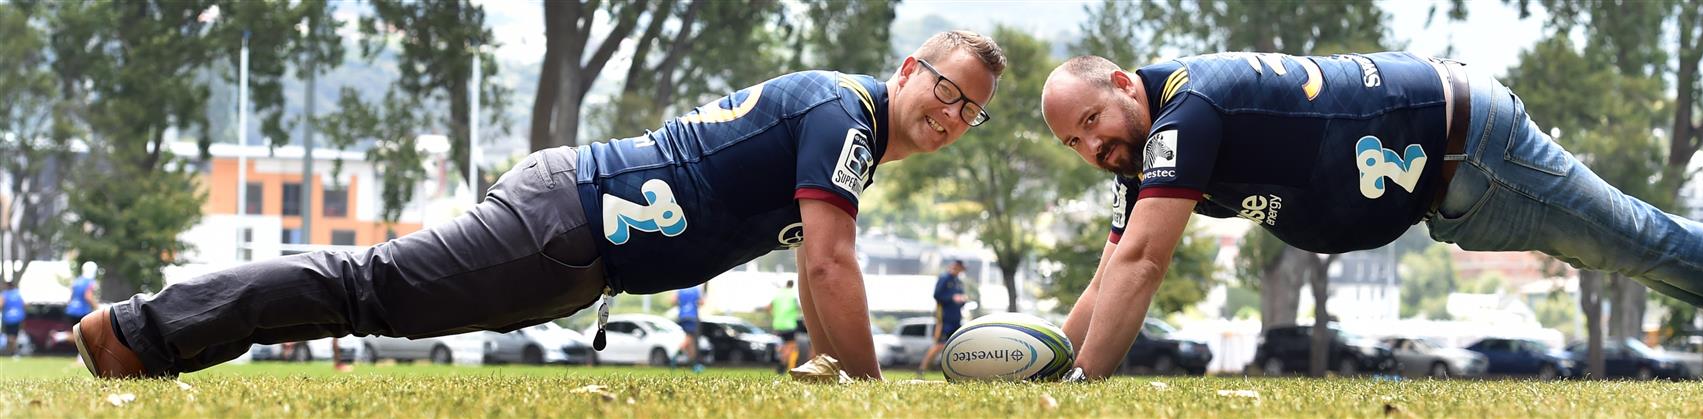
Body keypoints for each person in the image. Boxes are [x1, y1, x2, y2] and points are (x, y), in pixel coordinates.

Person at [72, 30, 1007, 380]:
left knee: (373, 296)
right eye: (946, 87)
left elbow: (816, 258)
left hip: (575, 240)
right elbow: (830, 262)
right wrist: (870, 390)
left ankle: (150, 343)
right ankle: (137, 332)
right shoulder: (845, 115)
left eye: (972, 109)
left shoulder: (845, 126)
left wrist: (836, 368)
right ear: (907, 69)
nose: (952, 113)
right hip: (569, 215)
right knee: (368, 287)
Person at [1039, 51, 1703, 381]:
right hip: (1447, 182)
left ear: (1121, 82)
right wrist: (1045, 361)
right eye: (1074, 142)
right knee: (1627, 249)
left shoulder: (1187, 113)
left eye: (1093, 121)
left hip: (1474, 145)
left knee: (1634, 238)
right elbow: (1113, 265)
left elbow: (1145, 263)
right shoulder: (1152, 147)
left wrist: (1083, 387)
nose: (1092, 145)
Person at [917, 260, 968, 377]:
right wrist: (952, 298)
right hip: (944, 319)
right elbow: (937, 295)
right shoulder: (945, 278)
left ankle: (960, 370)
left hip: (956, 318)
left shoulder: (958, 282)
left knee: (959, 343)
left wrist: (962, 300)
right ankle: (922, 369)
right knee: (939, 345)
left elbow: (961, 298)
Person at [768, 279, 802, 374]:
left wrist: (775, 315)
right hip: (789, 325)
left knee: (781, 345)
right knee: (791, 346)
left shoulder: (778, 294)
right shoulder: (793, 294)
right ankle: (783, 364)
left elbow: (769, 307)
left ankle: (781, 358)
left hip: (777, 324)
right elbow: (799, 307)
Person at [673, 284, 705, 372]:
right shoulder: (696, 288)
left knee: (691, 342)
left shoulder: (680, 289)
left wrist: (683, 303)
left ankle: (694, 364)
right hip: (692, 316)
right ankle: (674, 357)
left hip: (682, 316)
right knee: (689, 339)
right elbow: (702, 302)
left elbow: (673, 300)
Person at [65, 261, 97, 326]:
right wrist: (96, 307)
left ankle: (60, 335)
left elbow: (71, 297)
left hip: (71, 310)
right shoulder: (90, 282)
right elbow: (88, 296)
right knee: (82, 334)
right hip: (82, 312)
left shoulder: (77, 280)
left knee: (73, 331)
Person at [3, 280, 24, 356]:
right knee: (15, 336)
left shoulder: (5, 294)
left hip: (9, 318)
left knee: (10, 337)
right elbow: (23, 304)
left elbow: (1, 304)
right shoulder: (18, 293)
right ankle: (14, 352)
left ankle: (13, 352)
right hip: (18, 318)